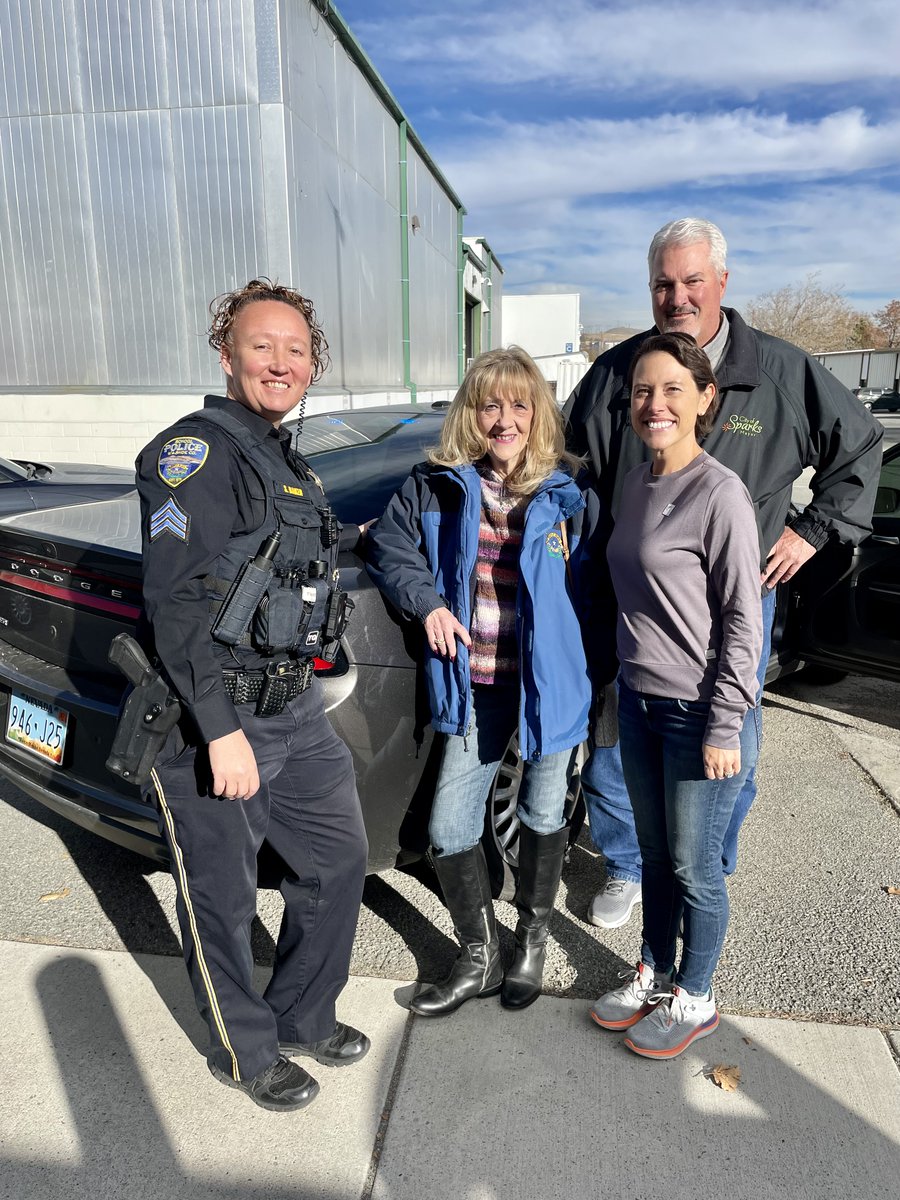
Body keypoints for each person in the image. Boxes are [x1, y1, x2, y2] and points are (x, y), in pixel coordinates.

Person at [565, 217, 884, 930]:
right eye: (663, 284)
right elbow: (563, 464)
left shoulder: (779, 373)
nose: (678, 297)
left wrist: (812, 530)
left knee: (729, 735)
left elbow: (859, 449)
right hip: (636, 600)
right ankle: (624, 864)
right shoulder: (617, 374)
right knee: (619, 742)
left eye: (692, 282)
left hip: (739, 602)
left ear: (722, 284)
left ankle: (709, 862)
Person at [135, 280, 369, 1112]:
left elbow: (286, 558)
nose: (281, 362)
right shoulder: (193, 454)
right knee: (223, 898)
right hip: (217, 719)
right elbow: (176, 602)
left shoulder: (282, 456)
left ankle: (304, 1014)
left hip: (294, 708)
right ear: (228, 354)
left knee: (339, 861)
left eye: (297, 350)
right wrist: (220, 731)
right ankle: (245, 1050)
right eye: (262, 345)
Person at [367, 347, 607, 1015]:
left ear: (539, 414)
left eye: (520, 404)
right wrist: (428, 602)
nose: (505, 418)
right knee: (449, 830)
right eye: (490, 404)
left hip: (550, 688)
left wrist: (589, 674)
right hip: (474, 688)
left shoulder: (570, 494)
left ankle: (531, 940)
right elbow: (389, 547)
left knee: (539, 812)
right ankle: (481, 956)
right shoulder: (436, 485)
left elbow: (594, 593)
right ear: (469, 413)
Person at [590, 332, 763, 1057]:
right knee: (655, 857)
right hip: (640, 701)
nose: (653, 403)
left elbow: (743, 623)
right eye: (641, 391)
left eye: (670, 390)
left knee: (695, 866)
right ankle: (656, 973)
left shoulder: (720, 493)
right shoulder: (636, 481)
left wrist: (725, 726)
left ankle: (697, 997)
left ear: (703, 399)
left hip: (702, 715)